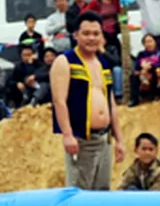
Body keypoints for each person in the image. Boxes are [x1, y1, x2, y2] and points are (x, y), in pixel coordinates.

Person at [51, 11, 125, 190]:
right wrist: (68, 135)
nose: (91, 38)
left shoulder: (103, 63)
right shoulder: (65, 61)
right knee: (80, 191)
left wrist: (119, 139)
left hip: (104, 139)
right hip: (81, 139)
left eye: (96, 34)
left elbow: (111, 103)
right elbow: (59, 101)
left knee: (102, 190)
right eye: (86, 33)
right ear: (76, 35)